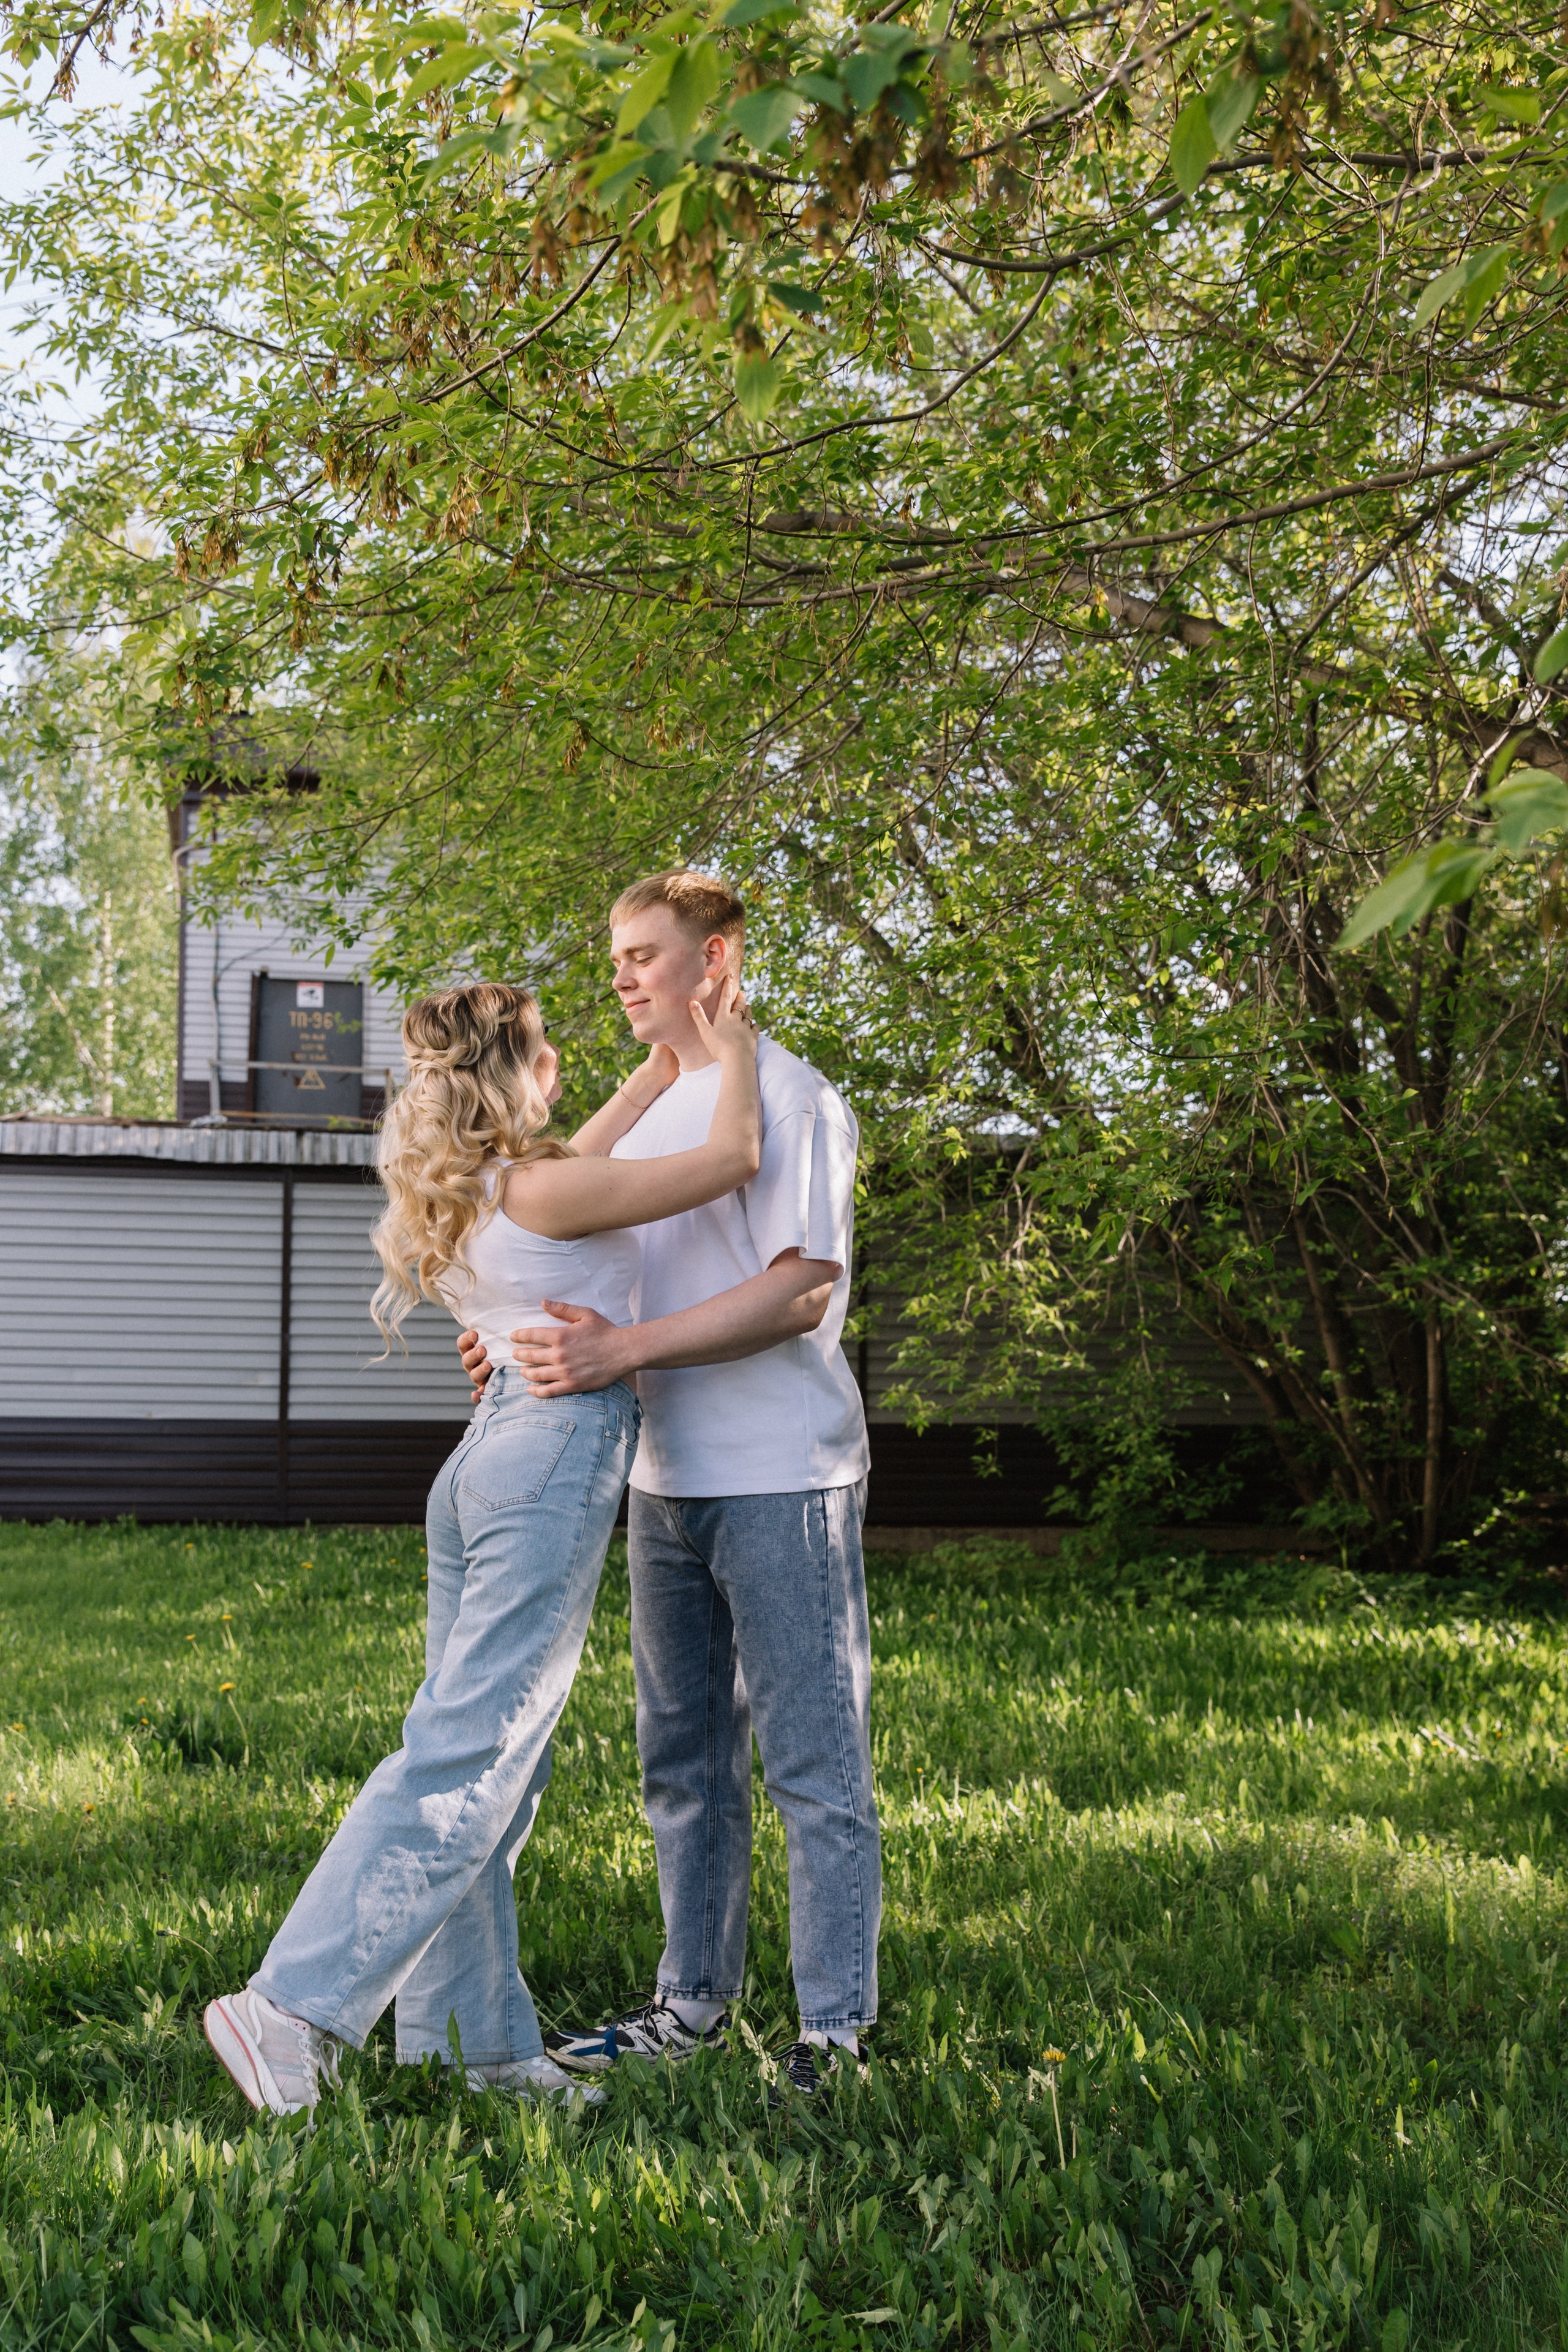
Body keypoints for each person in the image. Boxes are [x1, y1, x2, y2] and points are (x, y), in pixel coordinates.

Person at [203, 974, 761, 2116]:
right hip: (548, 1458)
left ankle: (478, 2043)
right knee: (473, 1752)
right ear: (521, 1073)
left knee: (486, 1756)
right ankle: (288, 2007)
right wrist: (734, 1043)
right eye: (549, 1046)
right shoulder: (542, 1190)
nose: (563, 1061)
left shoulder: (479, 1192)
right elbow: (731, 1160)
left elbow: (579, 1167)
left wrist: (658, 1074)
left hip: (481, 1464)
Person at [457, 870, 880, 2103]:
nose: (624, 975)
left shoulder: (793, 1102)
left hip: (780, 1477)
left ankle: (834, 2034)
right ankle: (691, 2003)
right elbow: (551, 1235)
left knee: (814, 1763)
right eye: (617, 956)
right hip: (658, 1476)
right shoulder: (648, 1111)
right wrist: (505, 1328)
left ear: (718, 959)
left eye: (646, 953)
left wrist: (619, 1351)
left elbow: (801, 1291)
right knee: (680, 1759)